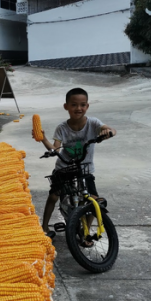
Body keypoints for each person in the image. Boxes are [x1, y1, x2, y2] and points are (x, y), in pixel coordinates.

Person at [35, 88, 116, 239]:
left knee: (93, 200)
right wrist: (43, 139)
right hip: (64, 168)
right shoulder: (62, 128)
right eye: (74, 105)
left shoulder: (93, 123)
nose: (78, 108)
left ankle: (86, 232)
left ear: (87, 106)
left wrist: (108, 132)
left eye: (82, 105)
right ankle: (44, 227)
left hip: (84, 169)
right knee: (53, 196)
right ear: (66, 107)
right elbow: (55, 148)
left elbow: (111, 129)